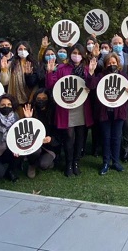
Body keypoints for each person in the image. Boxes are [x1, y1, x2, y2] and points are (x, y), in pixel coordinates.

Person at [0, 96, 51, 186]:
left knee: (20, 151)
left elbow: (23, 134)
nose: (6, 107)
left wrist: (28, 119)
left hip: (7, 150)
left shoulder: (15, 116)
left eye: (9, 104)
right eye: (3, 105)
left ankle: (10, 170)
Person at [45, 44, 96, 177]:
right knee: (69, 136)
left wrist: (90, 74)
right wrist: (50, 72)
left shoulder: (86, 69)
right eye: (74, 52)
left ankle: (76, 162)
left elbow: (91, 86)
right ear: (70, 54)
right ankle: (68, 163)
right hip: (66, 108)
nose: (76, 55)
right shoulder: (62, 68)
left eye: (79, 53)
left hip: (82, 107)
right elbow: (51, 85)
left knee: (80, 136)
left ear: (83, 55)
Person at [89, 53, 128, 175]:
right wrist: (91, 72)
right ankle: (105, 162)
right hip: (105, 113)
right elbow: (91, 86)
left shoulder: (123, 76)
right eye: (109, 63)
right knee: (106, 138)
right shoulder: (100, 76)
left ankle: (115, 162)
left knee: (116, 137)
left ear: (118, 64)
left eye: (114, 63)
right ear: (105, 65)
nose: (111, 65)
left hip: (119, 113)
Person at [25, 88, 58, 178]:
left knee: (44, 164)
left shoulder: (54, 112)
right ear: (35, 99)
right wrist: (28, 119)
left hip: (49, 146)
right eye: (39, 99)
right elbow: (25, 132)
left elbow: (58, 133)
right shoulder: (31, 111)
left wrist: (51, 139)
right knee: (35, 152)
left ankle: (48, 160)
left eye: (44, 99)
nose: (41, 101)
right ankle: (31, 165)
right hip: (35, 144)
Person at [2, 41, 38, 116]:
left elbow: (34, 83)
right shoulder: (11, 64)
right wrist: (4, 70)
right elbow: (4, 82)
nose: (23, 51)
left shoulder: (33, 64)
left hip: (29, 100)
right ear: (16, 51)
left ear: (28, 50)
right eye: (20, 49)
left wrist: (28, 75)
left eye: (25, 49)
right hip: (14, 101)